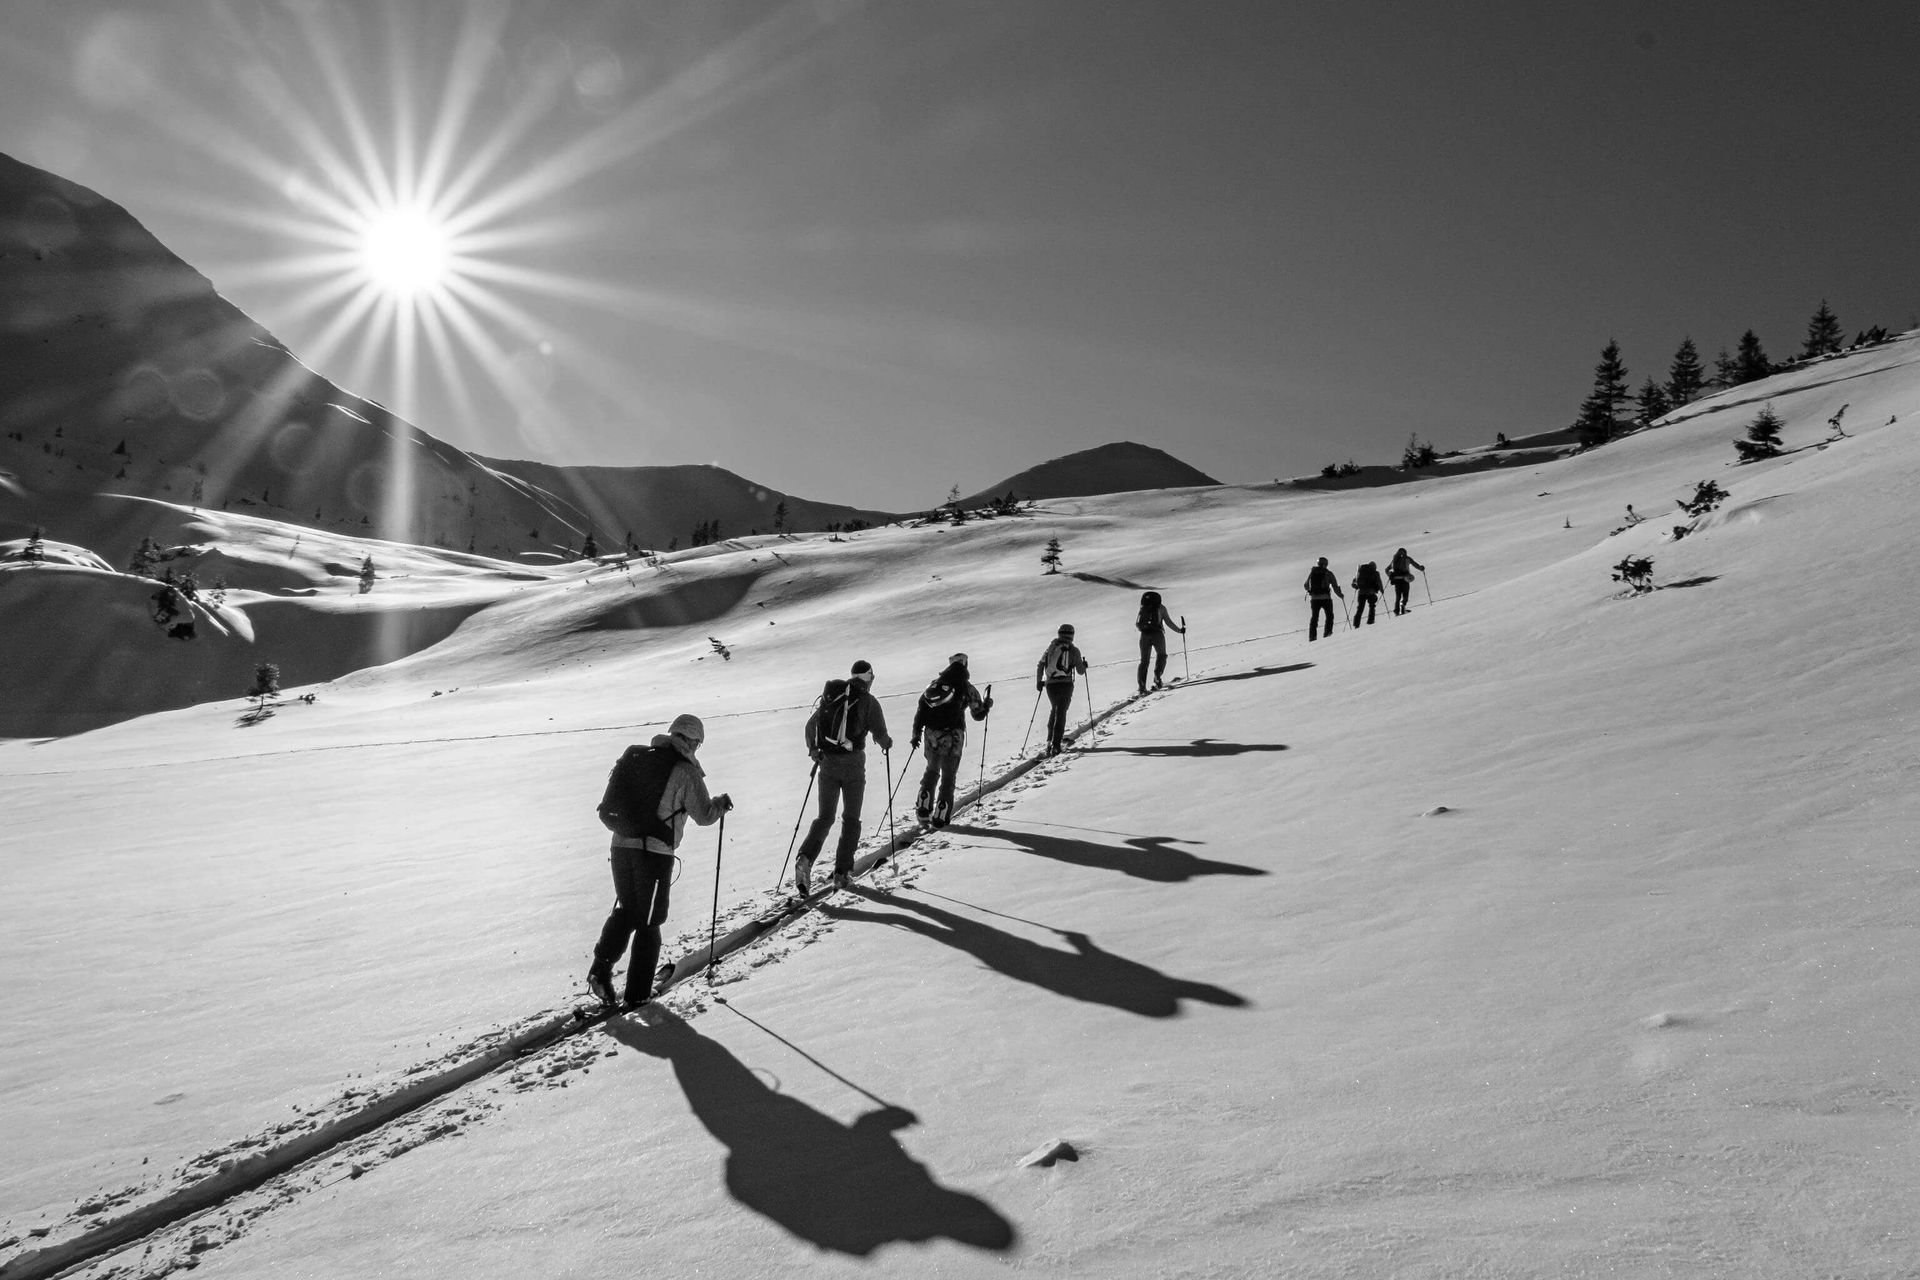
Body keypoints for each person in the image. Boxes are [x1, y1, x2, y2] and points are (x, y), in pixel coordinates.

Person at [587, 713, 732, 1009]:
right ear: (691, 740)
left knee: (628, 911)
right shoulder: (685, 770)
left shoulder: (640, 757)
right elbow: (704, 815)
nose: (697, 748)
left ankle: (600, 971)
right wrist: (720, 805)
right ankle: (638, 994)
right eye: (698, 743)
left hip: (620, 845)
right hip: (653, 853)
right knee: (650, 921)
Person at [795, 660, 893, 895]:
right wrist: (886, 743)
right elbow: (880, 734)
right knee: (851, 818)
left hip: (827, 764)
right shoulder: (868, 702)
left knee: (825, 817)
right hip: (853, 767)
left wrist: (814, 750)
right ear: (868, 677)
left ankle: (805, 858)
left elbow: (811, 726)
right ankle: (842, 873)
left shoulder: (834, 697)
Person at [911, 653, 993, 827]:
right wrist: (986, 705)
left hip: (932, 735)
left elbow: (921, 710)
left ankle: (923, 810)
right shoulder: (967, 687)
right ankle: (940, 817)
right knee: (948, 777)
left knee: (931, 771)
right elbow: (978, 714)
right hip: (954, 737)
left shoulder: (934, 685)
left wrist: (916, 733)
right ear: (965, 665)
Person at [1035, 624, 1087, 755]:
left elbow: (1040, 664)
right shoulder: (1073, 650)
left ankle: (1049, 741)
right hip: (1066, 684)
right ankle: (1056, 745)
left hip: (1050, 685)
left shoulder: (1051, 648)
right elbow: (1080, 671)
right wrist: (1084, 665)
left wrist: (1039, 681)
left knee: (1055, 710)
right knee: (1061, 712)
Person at [1134, 591, 1185, 693]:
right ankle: (1157, 676)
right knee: (1161, 655)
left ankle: (1141, 687)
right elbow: (1168, 622)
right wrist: (1180, 630)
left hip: (1144, 636)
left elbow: (1138, 623)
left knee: (1144, 661)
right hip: (1157, 634)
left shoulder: (1143, 607)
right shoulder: (1161, 607)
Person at [1303, 557, 1343, 641]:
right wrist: (1340, 595)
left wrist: (1312, 591)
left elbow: (1306, 585)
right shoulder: (1328, 573)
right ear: (1326, 564)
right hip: (1326, 598)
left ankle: (1312, 636)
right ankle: (1327, 633)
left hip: (1314, 599)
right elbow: (1335, 586)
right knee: (1329, 616)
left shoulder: (1312, 573)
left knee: (1314, 617)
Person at [1387, 547, 1425, 615]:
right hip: (1405, 578)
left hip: (1397, 580)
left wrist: (1390, 575)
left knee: (1398, 596)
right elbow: (1415, 564)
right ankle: (1402, 608)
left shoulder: (1395, 559)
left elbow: (1387, 569)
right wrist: (1421, 568)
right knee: (1405, 595)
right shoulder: (1407, 558)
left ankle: (1397, 610)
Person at [1351, 561, 1385, 626]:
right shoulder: (1376, 573)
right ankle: (1370, 621)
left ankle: (1356, 624)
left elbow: (1354, 582)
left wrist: (1356, 586)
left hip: (1361, 592)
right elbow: (1379, 582)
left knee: (1360, 609)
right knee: (1372, 606)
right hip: (1371, 592)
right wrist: (1381, 590)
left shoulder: (1361, 571)